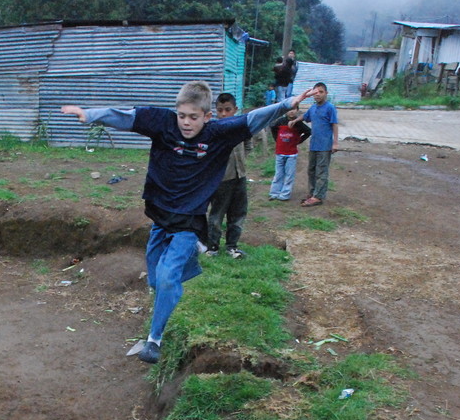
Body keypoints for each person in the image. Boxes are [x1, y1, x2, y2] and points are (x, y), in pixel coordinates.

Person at [61, 81, 316, 364]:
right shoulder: (163, 122)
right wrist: (90, 114)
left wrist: (285, 104)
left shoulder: (218, 134)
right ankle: (188, 265)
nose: (186, 122)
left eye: (193, 117)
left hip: (189, 220)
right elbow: (124, 116)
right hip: (160, 216)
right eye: (182, 115)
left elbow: (253, 119)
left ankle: (153, 341)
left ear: (207, 117)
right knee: (157, 281)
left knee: (169, 277)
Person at [205, 92, 253, 259]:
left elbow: (248, 145)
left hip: (240, 176)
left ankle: (232, 247)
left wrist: (240, 162)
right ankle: (212, 247)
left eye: (228, 109)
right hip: (221, 180)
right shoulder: (213, 130)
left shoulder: (241, 127)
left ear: (235, 109)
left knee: (238, 212)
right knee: (217, 214)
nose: (224, 114)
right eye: (220, 110)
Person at [300, 82, 339, 207]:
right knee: (311, 170)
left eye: (321, 92)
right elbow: (305, 117)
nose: (318, 95)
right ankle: (312, 193)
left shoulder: (330, 108)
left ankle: (318, 196)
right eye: (315, 92)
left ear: (326, 93)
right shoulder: (313, 108)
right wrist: (294, 120)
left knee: (321, 171)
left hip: (325, 145)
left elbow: (334, 124)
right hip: (314, 145)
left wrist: (335, 143)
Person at [268, 106, 311, 202]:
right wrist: (277, 140)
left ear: (297, 111)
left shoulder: (298, 124)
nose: (291, 112)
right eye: (289, 110)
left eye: (294, 109)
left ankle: (285, 194)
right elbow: (272, 127)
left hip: (291, 154)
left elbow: (308, 131)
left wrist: (299, 141)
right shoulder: (280, 121)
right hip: (280, 153)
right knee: (278, 174)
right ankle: (274, 193)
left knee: (289, 175)